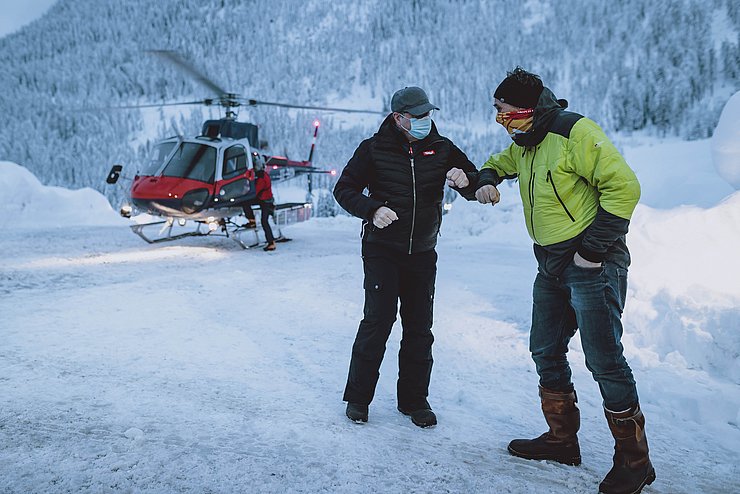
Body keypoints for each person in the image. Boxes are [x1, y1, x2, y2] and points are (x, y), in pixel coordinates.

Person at [474, 67, 654, 494]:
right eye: (497, 114)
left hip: (592, 262)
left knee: (604, 359)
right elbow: (503, 160)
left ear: (527, 108)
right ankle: (561, 440)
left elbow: (624, 188)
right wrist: (487, 177)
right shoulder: (527, 141)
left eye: (503, 112)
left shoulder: (574, 132)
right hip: (550, 263)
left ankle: (635, 461)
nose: (500, 121)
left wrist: (591, 253)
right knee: (545, 349)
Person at [334, 86, 478, 428]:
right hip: (382, 251)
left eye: (429, 114)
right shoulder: (373, 149)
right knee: (377, 322)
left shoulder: (442, 149)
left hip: (423, 252)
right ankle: (358, 398)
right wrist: (372, 210)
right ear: (399, 118)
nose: (426, 121)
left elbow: (472, 182)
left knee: (419, 329)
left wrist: (466, 179)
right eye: (419, 116)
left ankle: (414, 401)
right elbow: (344, 190)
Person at [243, 157, 277, 251]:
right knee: (246, 203)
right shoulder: (263, 175)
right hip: (265, 200)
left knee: (264, 221)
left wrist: (245, 193)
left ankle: (271, 243)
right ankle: (252, 221)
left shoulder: (261, 177)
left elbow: (256, 190)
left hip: (265, 202)